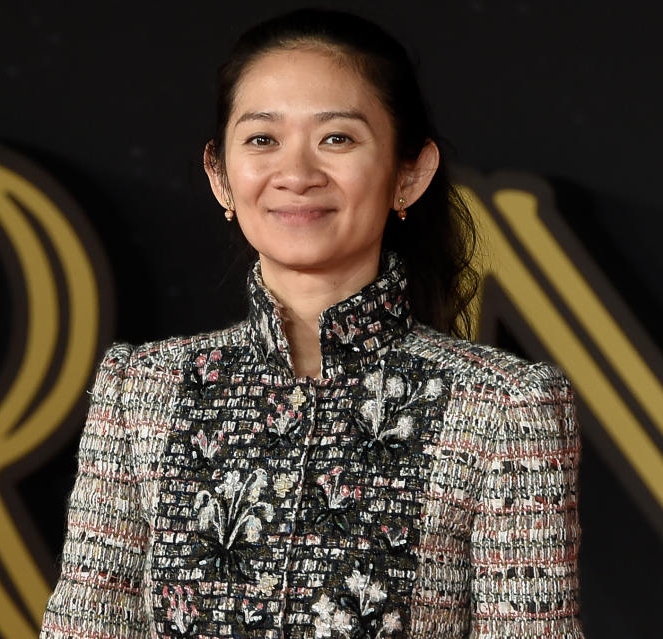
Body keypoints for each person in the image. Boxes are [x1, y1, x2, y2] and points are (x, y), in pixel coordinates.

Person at [39, 8, 583, 639]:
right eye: (262, 140)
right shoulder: (141, 390)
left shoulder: (506, 406)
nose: (296, 175)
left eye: (338, 139)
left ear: (410, 174)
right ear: (220, 175)